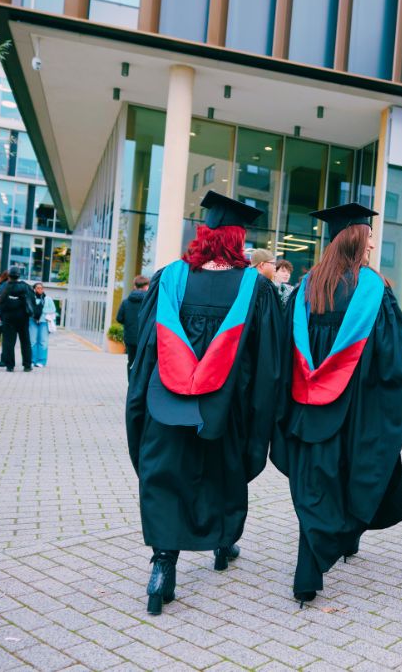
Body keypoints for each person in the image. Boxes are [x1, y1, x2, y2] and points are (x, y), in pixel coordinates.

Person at [271, 203, 402, 607]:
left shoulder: (307, 288)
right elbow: (393, 352)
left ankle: (311, 564)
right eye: (370, 236)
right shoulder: (372, 289)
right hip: (352, 409)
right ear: (356, 239)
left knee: (312, 481)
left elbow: (285, 350)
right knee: (342, 477)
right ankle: (317, 558)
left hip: (306, 405)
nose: (373, 243)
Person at [125, 191, 283, 616]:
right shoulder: (257, 289)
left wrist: (139, 398)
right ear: (237, 239)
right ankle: (220, 542)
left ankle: (162, 568)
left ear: (204, 234)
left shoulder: (169, 277)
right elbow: (266, 363)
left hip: (166, 401)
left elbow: (145, 352)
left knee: (167, 475)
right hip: (224, 405)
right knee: (217, 473)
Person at [0, 267, 35, 372]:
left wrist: (2, 315)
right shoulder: (25, 286)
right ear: (19, 275)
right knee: (25, 341)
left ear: (9, 275)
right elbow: (32, 301)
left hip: (8, 318)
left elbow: (0, 302)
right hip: (23, 318)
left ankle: (10, 366)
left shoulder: (4, 286)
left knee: (8, 342)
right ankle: (27, 365)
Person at [116, 275, 150, 375]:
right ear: (145, 287)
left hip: (130, 339)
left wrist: (129, 324)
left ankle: (131, 386)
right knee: (143, 364)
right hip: (144, 338)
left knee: (131, 362)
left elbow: (119, 318)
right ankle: (140, 388)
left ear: (135, 286)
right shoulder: (149, 303)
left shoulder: (126, 302)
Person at [29, 283, 57, 368]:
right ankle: (32, 360)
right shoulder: (31, 298)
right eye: (38, 288)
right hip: (32, 321)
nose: (40, 290)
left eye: (41, 288)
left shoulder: (47, 299)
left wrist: (40, 310)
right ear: (34, 289)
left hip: (44, 322)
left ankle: (41, 361)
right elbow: (28, 308)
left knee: (43, 342)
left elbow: (52, 309)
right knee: (32, 341)